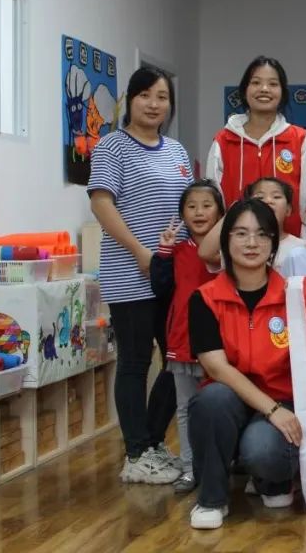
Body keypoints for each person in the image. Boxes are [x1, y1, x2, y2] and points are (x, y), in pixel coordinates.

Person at [88, 66, 190, 485]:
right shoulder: (112, 146)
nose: (153, 104)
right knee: (134, 360)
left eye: (162, 97)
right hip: (130, 272)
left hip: (172, 274)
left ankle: (151, 443)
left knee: (179, 361)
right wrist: (140, 253)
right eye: (145, 95)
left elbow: (189, 208)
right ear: (130, 100)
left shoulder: (176, 151)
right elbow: (101, 203)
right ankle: (135, 453)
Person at [187, 199, 301, 530]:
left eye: (262, 234)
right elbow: (216, 368)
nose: (252, 243)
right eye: (241, 233)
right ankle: (212, 498)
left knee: (263, 450)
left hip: (282, 398)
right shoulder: (205, 298)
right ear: (226, 241)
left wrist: (279, 409)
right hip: (232, 398)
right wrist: (271, 410)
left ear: (274, 244)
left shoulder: (294, 295)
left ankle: (272, 481)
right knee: (211, 399)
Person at [149, 180, 224, 493]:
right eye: (191, 207)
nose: (199, 212)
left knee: (219, 407)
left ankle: (222, 467)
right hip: (182, 340)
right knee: (185, 408)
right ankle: (190, 468)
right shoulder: (177, 251)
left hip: (220, 344)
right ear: (182, 214)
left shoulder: (228, 250)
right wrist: (163, 253)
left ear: (220, 212)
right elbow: (160, 288)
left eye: (206, 205)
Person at [206, 56, 306, 237]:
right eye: (256, 82)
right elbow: (214, 202)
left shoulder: (300, 139)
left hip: (288, 244)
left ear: (282, 92)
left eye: (273, 84)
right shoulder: (223, 141)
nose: (264, 89)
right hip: (237, 243)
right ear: (244, 90)